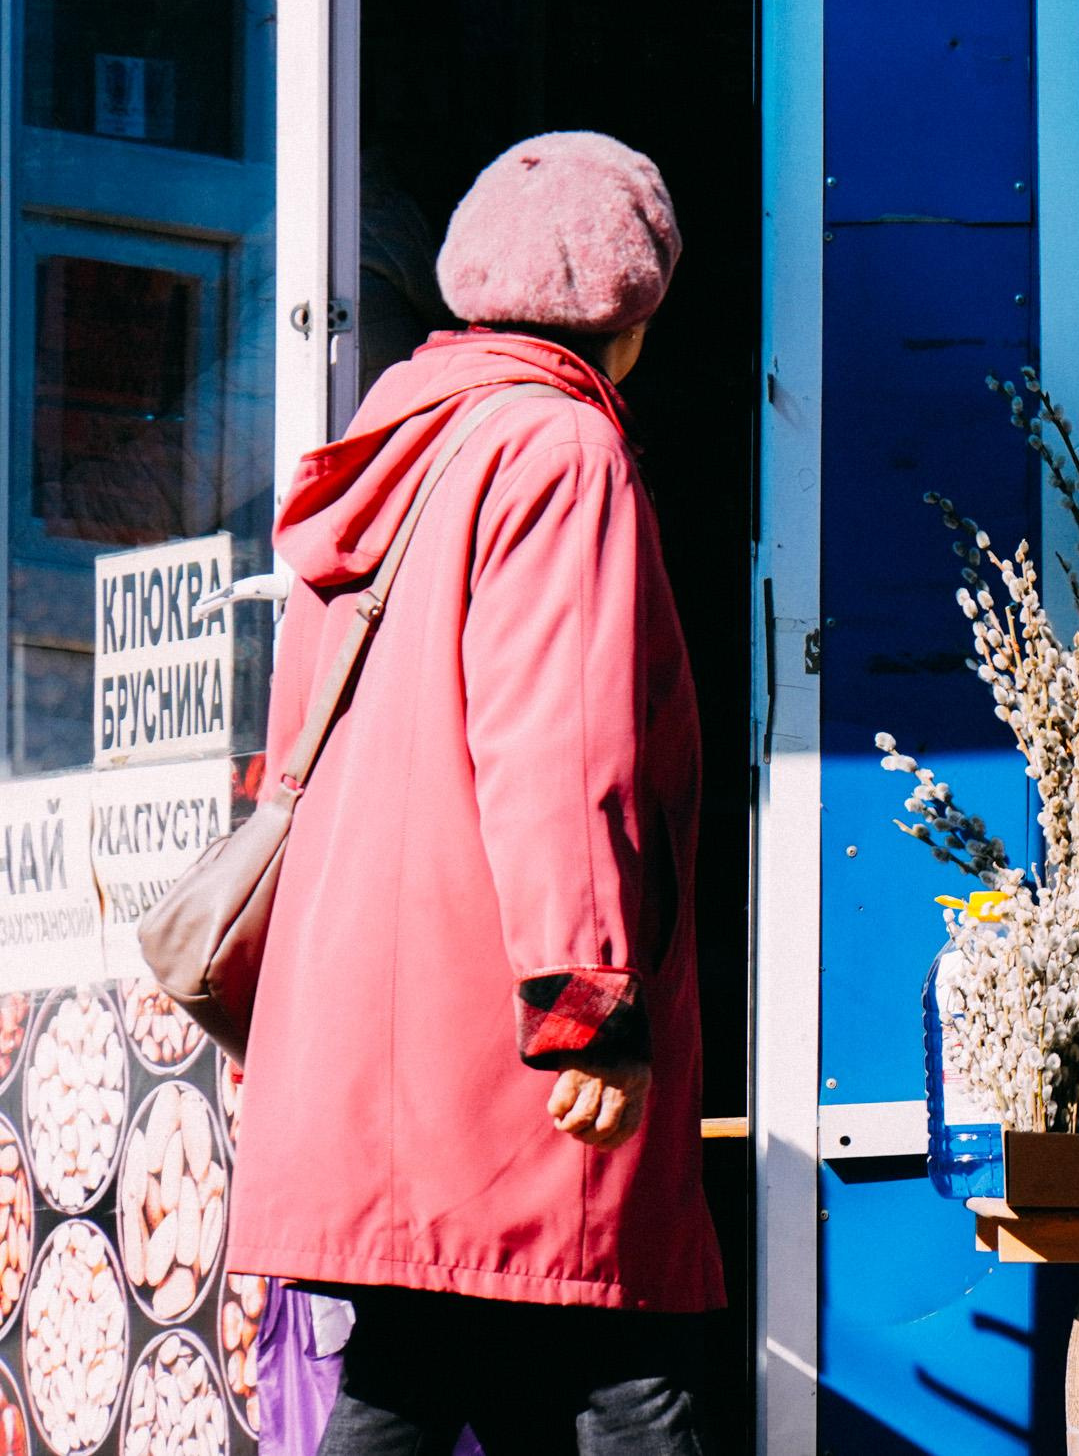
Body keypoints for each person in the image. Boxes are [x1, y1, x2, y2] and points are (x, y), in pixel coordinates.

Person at [226, 131, 723, 1454]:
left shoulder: (401, 443)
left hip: (383, 1021)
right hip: (502, 1028)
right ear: (633, 308)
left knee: (445, 1355)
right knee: (615, 1379)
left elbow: (300, 744)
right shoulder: (562, 452)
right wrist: (585, 1003)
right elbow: (562, 747)